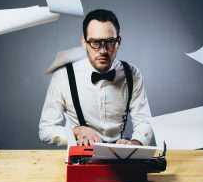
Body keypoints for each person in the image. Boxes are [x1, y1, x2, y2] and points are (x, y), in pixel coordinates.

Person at [39, 9, 153, 146]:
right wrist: (75, 131)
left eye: (110, 42)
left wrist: (134, 145)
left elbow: (144, 122)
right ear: (83, 42)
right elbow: (46, 130)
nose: (103, 50)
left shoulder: (132, 74)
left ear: (119, 42)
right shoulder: (63, 76)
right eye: (95, 42)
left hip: (121, 159)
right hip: (81, 158)